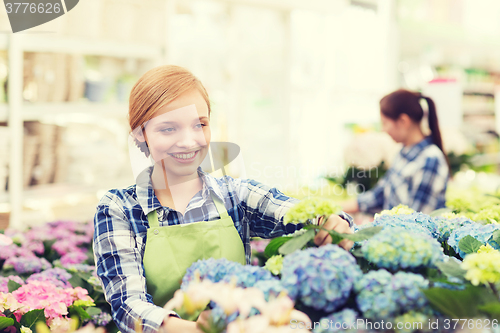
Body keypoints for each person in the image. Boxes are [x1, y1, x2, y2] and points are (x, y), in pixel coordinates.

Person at [93, 65, 354, 333]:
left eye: (200, 125)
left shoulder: (235, 195)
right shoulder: (120, 209)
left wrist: (331, 221)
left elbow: (294, 212)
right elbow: (128, 306)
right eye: (169, 129)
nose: (189, 141)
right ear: (140, 133)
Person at [342, 89, 450, 215]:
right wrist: (335, 208)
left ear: (403, 121)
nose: (383, 130)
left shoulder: (430, 159)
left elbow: (417, 219)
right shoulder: (403, 153)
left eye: (385, 123)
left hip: (409, 234)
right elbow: (379, 195)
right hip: (394, 231)